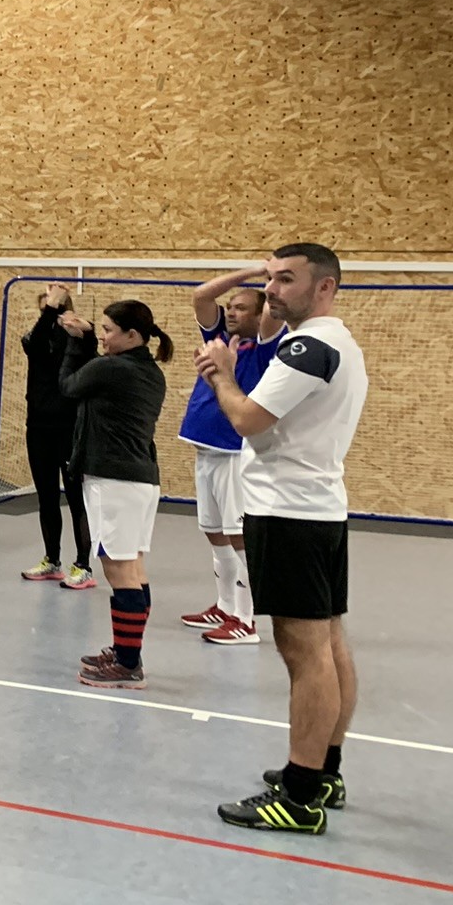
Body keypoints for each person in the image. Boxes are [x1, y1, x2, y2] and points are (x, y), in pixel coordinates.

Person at [197, 245, 368, 835]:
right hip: (317, 509)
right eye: (270, 278)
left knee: (305, 654)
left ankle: (299, 796)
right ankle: (325, 770)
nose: (272, 290)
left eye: (286, 280)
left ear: (324, 288)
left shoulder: (306, 347)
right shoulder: (339, 342)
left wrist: (220, 372)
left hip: (289, 514)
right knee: (328, 643)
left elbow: (247, 419)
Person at [58, 300, 173, 689]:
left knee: (118, 568)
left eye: (108, 330)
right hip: (139, 480)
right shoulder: (147, 370)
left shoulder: (114, 368)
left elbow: (70, 385)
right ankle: (129, 651)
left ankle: (127, 664)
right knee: (134, 568)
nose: (104, 336)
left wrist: (78, 342)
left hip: (115, 479)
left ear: (132, 336)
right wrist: (90, 339)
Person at [175, 265, 288, 645]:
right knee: (215, 532)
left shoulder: (267, 346)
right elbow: (201, 296)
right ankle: (225, 606)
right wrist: (253, 270)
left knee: (240, 537)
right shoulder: (220, 338)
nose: (232, 312)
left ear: (260, 315)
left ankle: (246, 620)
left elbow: (273, 310)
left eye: (242, 308)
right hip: (206, 450)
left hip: (236, 453)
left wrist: (269, 280)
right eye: (231, 307)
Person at [18, 283, 94, 586]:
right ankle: (52, 560)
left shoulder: (79, 337)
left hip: (70, 428)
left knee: (76, 498)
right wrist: (50, 310)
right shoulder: (35, 339)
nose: (46, 312)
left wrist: (64, 313)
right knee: (47, 497)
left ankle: (83, 565)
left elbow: (89, 349)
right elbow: (35, 341)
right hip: (38, 426)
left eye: (51, 306)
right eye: (44, 308)